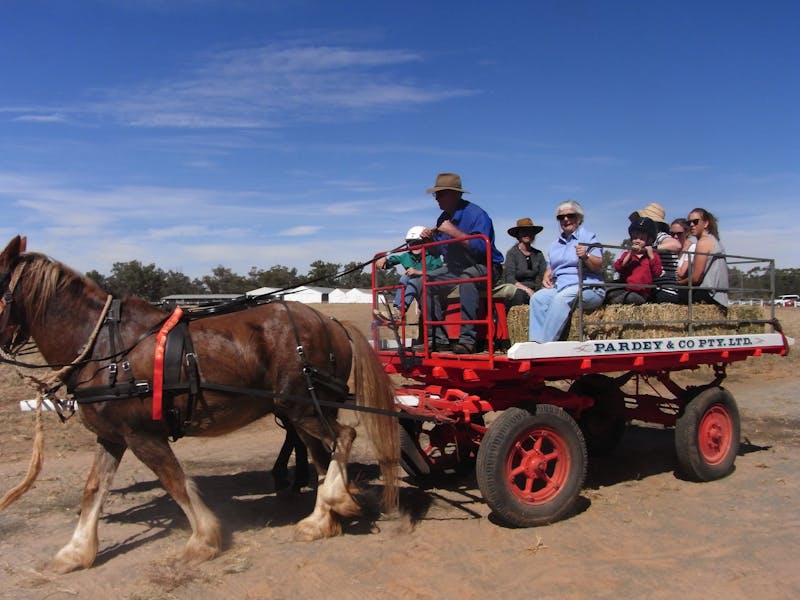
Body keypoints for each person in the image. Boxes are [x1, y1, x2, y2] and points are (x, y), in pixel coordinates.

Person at [418, 172, 504, 354]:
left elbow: (482, 248)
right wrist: (428, 241)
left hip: (486, 265)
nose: (437, 199)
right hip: (456, 268)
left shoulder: (477, 215)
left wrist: (453, 232)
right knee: (426, 283)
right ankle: (437, 339)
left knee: (467, 278)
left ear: (455, 194)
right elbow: (439, 251)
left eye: (440, 194)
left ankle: (467, 340)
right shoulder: (442, 219)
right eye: (436, 195)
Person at [528, 200, 605, 343]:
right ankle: (535, 343)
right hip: (561, 286)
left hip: (587, 287)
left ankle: (545, 345)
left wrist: (586, 256)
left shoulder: (588, 237)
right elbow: (552, 266)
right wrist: (547, 273)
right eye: (560, 217)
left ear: (579, 218)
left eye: (570, 215)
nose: (565, 219)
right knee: (537, 298)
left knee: (561, 299)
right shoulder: (555, 244)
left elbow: (598, 265)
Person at [373, 225, 444, 321]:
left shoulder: (433, 255)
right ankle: (397, 311)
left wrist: (419, 272)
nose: (413, 246)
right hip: (418, 289)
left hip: (433, 287)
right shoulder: (406, 256)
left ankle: (400, 311)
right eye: (410, 243)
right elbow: (388, 262)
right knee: (404, 278)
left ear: (425, 242)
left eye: (417, 243)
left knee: (414, 281)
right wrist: (383, 258)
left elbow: (440, 272)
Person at [629, 203, 682, 303]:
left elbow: (676, 245)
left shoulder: (660, 236)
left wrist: (651, 249)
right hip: (653, 286)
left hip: (664, 288)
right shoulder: (648, 239)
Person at [677, 208, 728, 308]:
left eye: (695, 222)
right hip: (719, 293)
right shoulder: (714, 240)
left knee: (669, 295)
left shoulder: (703, 242)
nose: (691, 225)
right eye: (689, 222)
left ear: (706, 224)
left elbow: (696, 278)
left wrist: (678, 283)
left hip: (710, 293)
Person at [606, 217, 662, 305]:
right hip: (625, 289)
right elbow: (618, 267)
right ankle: (610, 299)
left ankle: (613, 302)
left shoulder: (653, 256)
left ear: (649, 240)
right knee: (608, 291)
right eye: (635, 238)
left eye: (642, 238)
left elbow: (657, 272)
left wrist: (651, 255)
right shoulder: (627, 254)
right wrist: (630, 255)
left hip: (641, 294)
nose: (637, 241)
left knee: (630, 298)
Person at [503, 217, 547, 307]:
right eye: (524, 231)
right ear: (518, 234)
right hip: (517, 290)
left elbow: (544, 274)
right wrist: (527, 290)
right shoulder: (512, 253)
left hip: (535, 289)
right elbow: (510, 279)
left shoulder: (538, 254)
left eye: (530, 231)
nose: (528, 234)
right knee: (520, 296)